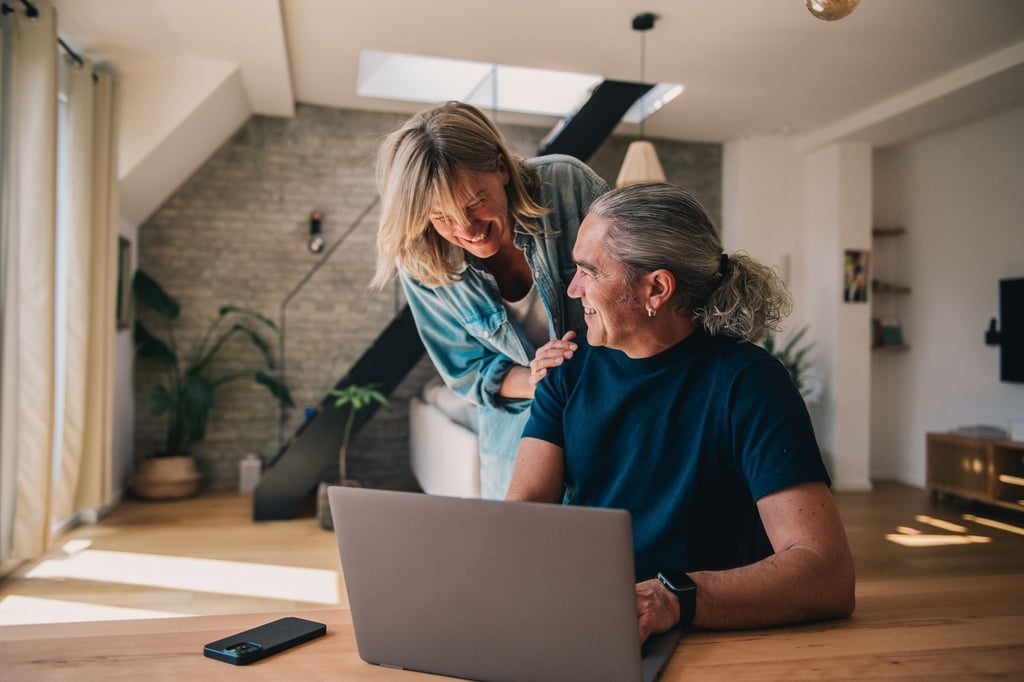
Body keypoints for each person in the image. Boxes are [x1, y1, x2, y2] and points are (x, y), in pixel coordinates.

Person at [506, 183, 855, 642]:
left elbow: (826, 573)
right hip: (591, 627)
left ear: (656, 289)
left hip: (711, 639)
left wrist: (675, 600)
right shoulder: (567, 371)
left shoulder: (749, 383)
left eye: (589, 272)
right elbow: (522, 513)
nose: (573, 290)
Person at [372, 101, 608, 499]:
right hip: (515, 444)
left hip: (610, 419)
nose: (467, 230)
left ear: (501, 168)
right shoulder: (420, 260)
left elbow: (628, 284)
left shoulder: (567, 185)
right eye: (440, 217)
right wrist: (541, 379)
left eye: (473, 203)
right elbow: (468, 373)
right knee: (526, 554)